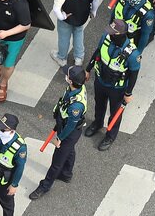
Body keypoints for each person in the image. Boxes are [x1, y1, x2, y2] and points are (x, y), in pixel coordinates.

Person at [29, 68, 87, 201]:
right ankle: (66, 174)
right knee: (70, 151)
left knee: (56, 162)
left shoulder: (76, 106)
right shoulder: (76, 88)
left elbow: (71, 125)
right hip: (66, 126)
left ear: (71, 81)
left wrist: (59, 138)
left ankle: (45, 186)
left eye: (67, 76)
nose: (66, 76)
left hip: (69, 132)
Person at [83, 19, 140, 150]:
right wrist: (88, 69)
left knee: (115, 113)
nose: (109, 33)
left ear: (120, 35)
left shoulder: (132, 54)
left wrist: (128, 93)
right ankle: (97, 123)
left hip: (117, 88)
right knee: (99, 104)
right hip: (101, 80)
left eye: (112, 32)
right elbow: (97, 52)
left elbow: (133, 74)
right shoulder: (106, 38)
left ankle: (110, 136)